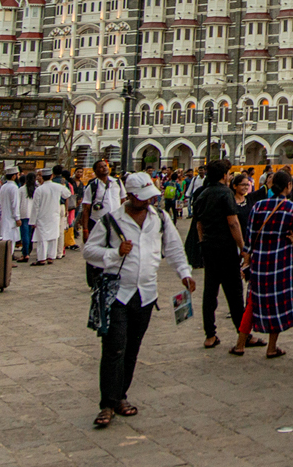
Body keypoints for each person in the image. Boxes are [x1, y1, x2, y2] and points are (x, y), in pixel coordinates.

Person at [84, 172, 194, 429]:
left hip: (146, 294)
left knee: (132, 348)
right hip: (117, 293)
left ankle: (121, 396)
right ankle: (107, 404)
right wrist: (113, 254)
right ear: (130, 196)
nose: (147, 202)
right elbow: (89, 251)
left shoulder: (160, 218)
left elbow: (175, 249)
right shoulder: (111, 220)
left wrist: (185, 273)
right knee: (114, 348)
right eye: (142, 198)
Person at [237, 170, 293, 358]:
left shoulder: (258, 206)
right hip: (281, 262)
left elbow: (249, 238)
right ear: (289, 186)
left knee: (253, 301)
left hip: (260, 262)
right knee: (278, 302)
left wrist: (246, 261)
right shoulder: (292, 208)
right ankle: (271, 347)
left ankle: (240, 344)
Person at [193, 160, 246, 350]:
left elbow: (199, 224)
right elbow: (233, 222)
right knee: (234, 292)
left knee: (210, 292)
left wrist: (203, 242)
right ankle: (242, 333)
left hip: (209, 247)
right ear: (224, 175)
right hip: (225, 248)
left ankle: (210, 335)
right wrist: (242, 246)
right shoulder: (225, 194)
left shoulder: (202, 194)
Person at [28, 172, 68, 266]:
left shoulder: (39, 189)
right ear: (51, 176)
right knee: (53, 237)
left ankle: (42, 258)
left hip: (42, 216)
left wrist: (33, 220)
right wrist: (63, 186)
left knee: (42, 238)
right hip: (54, 216)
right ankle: (51, 257)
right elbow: (67, 194)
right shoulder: (58, 187)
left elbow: (35, 206)